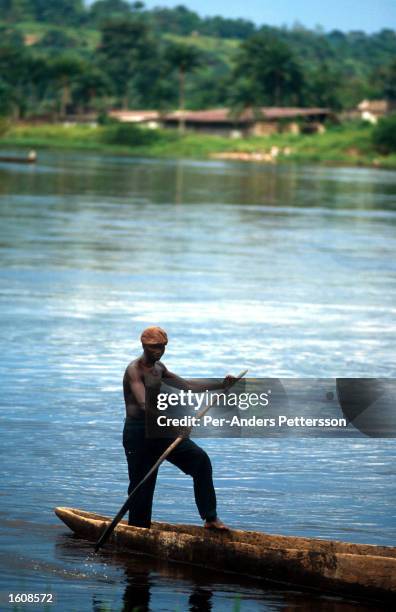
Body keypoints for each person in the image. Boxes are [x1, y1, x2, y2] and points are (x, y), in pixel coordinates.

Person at [123, 326, 235, 530]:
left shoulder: (159, 369)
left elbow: (187, 386)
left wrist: (221, 385)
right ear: (144, 346)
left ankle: (210, 518)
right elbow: (144, 406)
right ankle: (137, 531)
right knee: (142, 487)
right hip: (139, 432)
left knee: (200, 460)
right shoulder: (134, 370)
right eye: (154, 347)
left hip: (160, 430)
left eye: (162, 347)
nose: (159, 351)